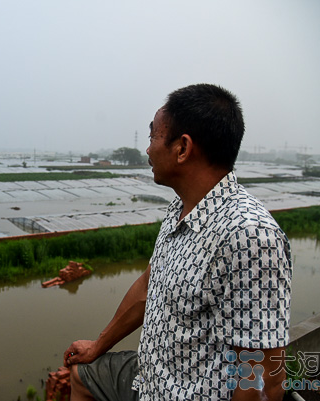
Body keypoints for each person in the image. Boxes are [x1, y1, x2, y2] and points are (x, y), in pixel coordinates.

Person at [64, 83, 292, 401]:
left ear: (182, 148)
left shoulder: (251, 238)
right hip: (152, 377)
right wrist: (97, 346)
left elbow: (262, 381)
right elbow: (148, 286)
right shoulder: (181, 206)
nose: (147, 150)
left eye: (153, 137)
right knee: (82, 376)